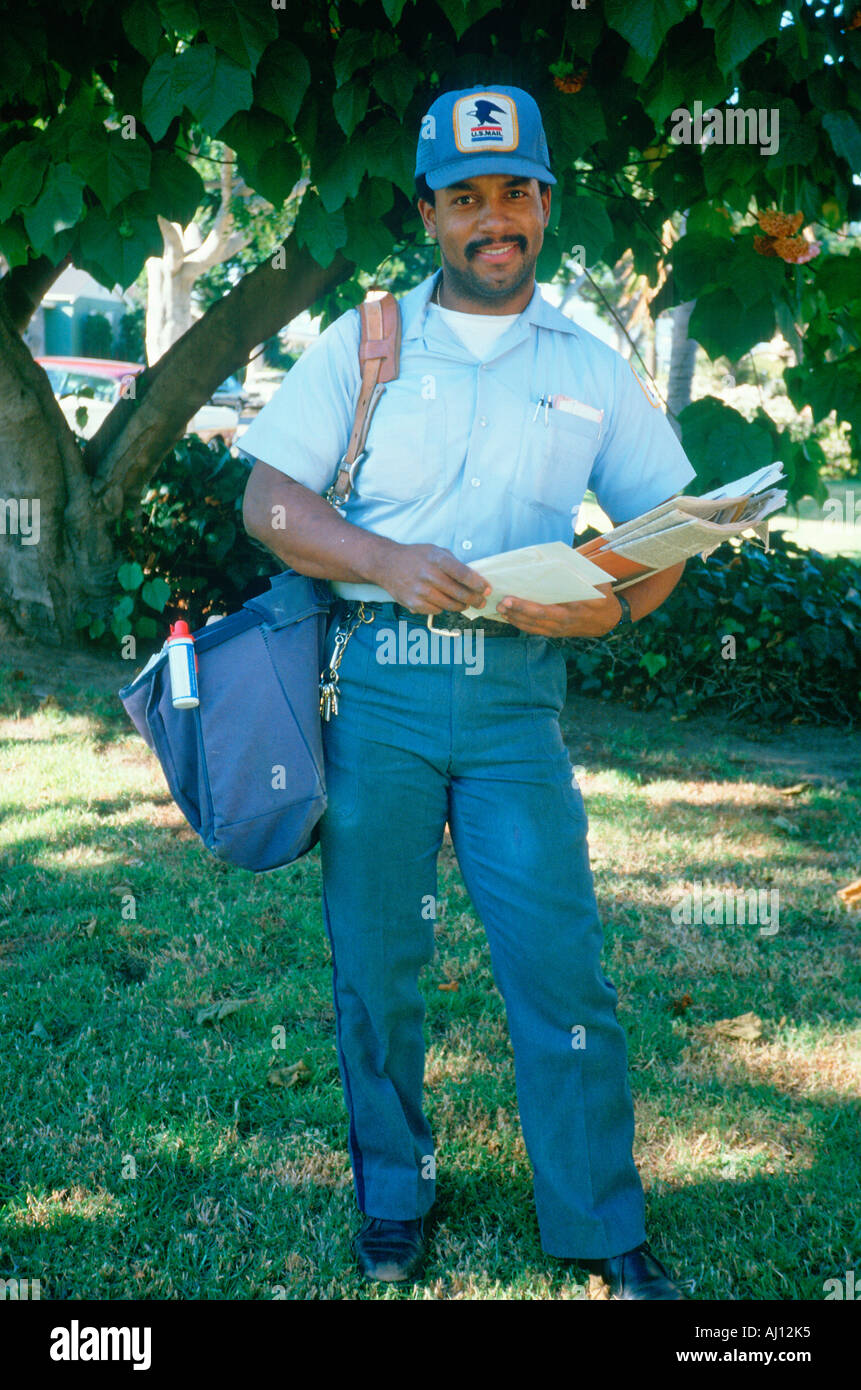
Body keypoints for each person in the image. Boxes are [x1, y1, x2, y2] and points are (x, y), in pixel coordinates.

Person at [241, 84, 695, 1299]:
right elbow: (270, 502)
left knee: (560, 961)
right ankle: (394, 1195)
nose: (492, 219)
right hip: (378, 687)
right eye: (465, 198)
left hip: (514, 704)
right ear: (428, 212)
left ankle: (602, 1223)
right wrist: (386, 561)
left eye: (515, 193)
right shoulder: (367, 339)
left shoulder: (592, 362)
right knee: (378, 960)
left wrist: (608, 606)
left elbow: (668, 535)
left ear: (546, 202)